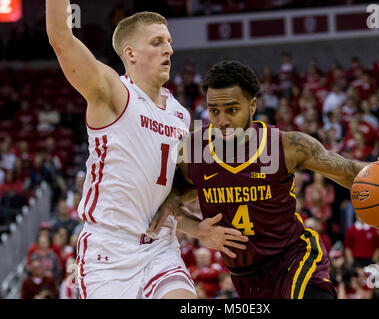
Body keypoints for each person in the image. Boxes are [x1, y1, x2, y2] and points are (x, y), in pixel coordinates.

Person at [148, 60, 379, 299]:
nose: (221, 120)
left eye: (232, 110)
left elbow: (350, 171)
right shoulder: (195, 150)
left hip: (293, 260)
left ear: (252, 105)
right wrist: (199, 231)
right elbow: (171, 199)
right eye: (213, 110)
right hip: (244, 276)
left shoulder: (286, 146)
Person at [46, 1, 247, 299]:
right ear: (130, 53)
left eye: (169, 42)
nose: (169, 50)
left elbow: (169, 199)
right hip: (109, 252)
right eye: (157, 42)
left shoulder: (180, 115)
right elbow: (61, 37)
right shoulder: (114, 93)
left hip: (160, 248)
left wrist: (198, 229)